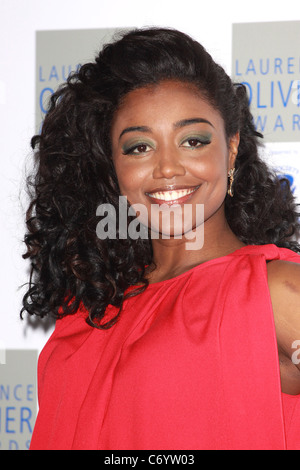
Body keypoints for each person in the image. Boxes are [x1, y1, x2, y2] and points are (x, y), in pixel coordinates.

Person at [22, 27, 300, 450]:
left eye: (193, 140)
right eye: (139, 147)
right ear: (112, 166)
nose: (168, 167)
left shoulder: (274, 291)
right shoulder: (87, 311)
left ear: (230, 149)